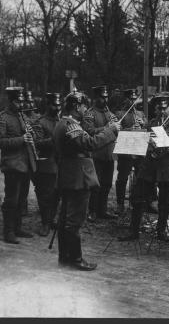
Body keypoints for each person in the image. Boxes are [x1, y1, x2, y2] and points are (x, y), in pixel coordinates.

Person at [54, 92, 120, 270]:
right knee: (74, 221)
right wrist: (111, 130)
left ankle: (65, 257)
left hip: (70, 176)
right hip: (78, 178)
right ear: (76, 107)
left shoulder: (64, 123)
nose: (85, 110)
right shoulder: (70, 125)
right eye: (83, 107)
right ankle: (75, 259)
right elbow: (90, 143)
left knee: (65, 219)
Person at [118, 94, 169, 242]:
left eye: (165, 108)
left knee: (165, 201)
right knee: (137, 197)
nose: (162, 111)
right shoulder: (152, 123)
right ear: (156, 109)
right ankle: (134, 231)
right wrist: (144, 142)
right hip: (150, 165)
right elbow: (143, 143)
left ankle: (161, 232)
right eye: (159, 108)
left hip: (168, 167)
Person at [0, 87, 36, 244]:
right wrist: (21, 139)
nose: (21, 104)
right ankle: (8, 231)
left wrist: (31, 134)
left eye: (22, 101)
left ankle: (17, 227)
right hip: (12, 165)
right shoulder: (1, 118)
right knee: (12, 200)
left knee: (22, 198)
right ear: (10, 101)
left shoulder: (22, 116)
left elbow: (29, 137)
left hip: (25, 164)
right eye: (18, 101)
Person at [82, 85, 118, 221]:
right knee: (95, 185)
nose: (105, 99)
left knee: (107, 184)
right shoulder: (89, 114)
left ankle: (102, 210)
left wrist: (117, 128)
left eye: (106, 97)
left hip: (109, 155)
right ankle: (92, 211)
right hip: (96, 154)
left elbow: (116, 131)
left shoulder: (110, 114)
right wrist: (107, 128)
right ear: (96, 98)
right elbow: (88, 131)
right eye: (102, 97)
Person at [113, 89, 147, 214]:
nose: (132, 101)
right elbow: (115, 131)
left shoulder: (141, 114)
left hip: (139, 149)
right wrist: (130, 129)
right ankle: (120, 203)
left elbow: (147, 130)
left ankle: (137, 202)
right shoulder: (119, 114)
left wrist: (143, 125)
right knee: (122, 178)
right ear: (125, 99)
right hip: (126, 150)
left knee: (140, 177)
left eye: (134, 99)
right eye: (130, 99)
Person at [32, 93, 62, 236]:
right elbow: (37, 143)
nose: (57, 108)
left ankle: (51, 219)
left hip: (60, 164)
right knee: (45, 196)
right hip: (46, 165)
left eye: (58, 105)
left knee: (57, 195)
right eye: (54, 105)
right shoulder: (40, 122)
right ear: (48, 105)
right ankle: (45, 222)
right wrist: (54, 140)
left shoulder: (62, 120)